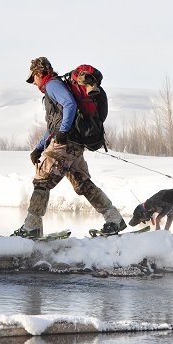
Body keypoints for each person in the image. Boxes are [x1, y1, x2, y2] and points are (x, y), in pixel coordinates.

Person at [12, 57, 127, 238]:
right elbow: (54, 126)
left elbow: (69, 105)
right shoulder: (56, 86)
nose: (33, 83)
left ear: (40, 73)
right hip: (74, 144)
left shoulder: (52, 85)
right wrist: (39, 147)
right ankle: (114, 218)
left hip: (65, 145)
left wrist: (64, 132)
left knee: (42, 180)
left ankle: (31, 228)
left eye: (33, 77)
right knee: (83, 184)